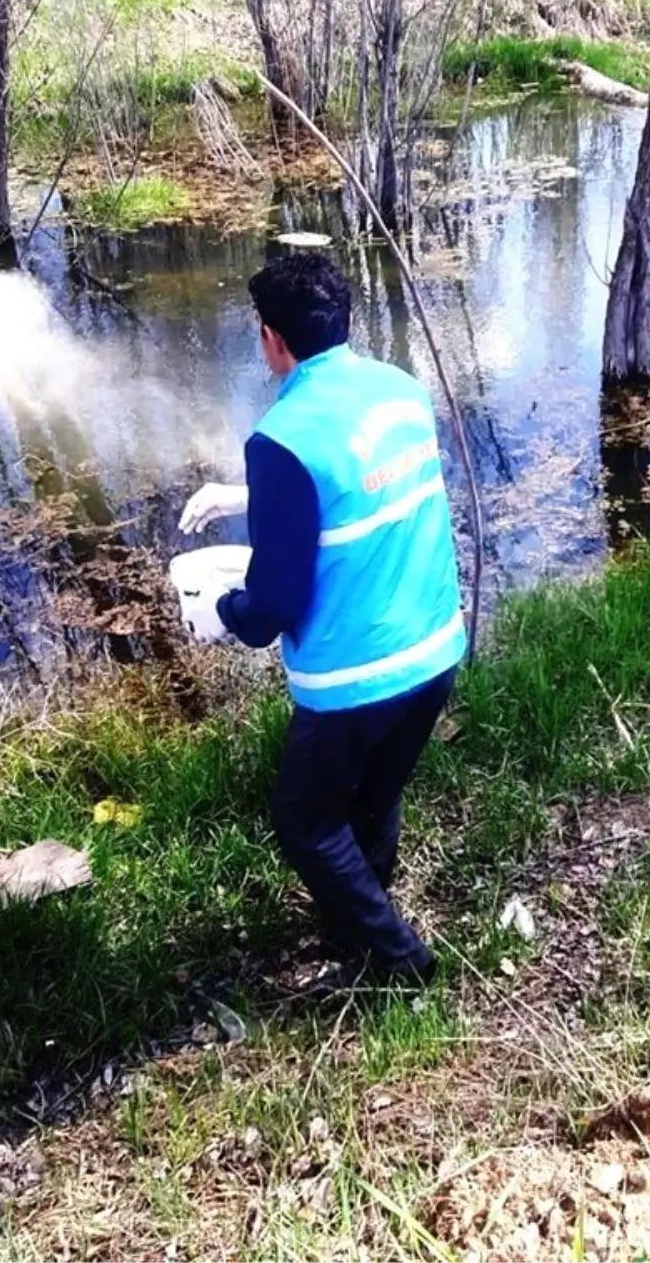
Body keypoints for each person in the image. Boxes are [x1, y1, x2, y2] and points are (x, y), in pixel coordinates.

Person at [179, 250, 465, 985]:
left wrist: (222, 615)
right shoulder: (400, 389)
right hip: (434, 652)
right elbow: (358, 486)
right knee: (377, 793)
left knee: (306, 823)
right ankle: (364, 910)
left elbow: (272, 605)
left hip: (354, 680)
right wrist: (246, 497)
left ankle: (398, 962)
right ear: (345, 319)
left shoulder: (282, 437)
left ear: (272, 338)